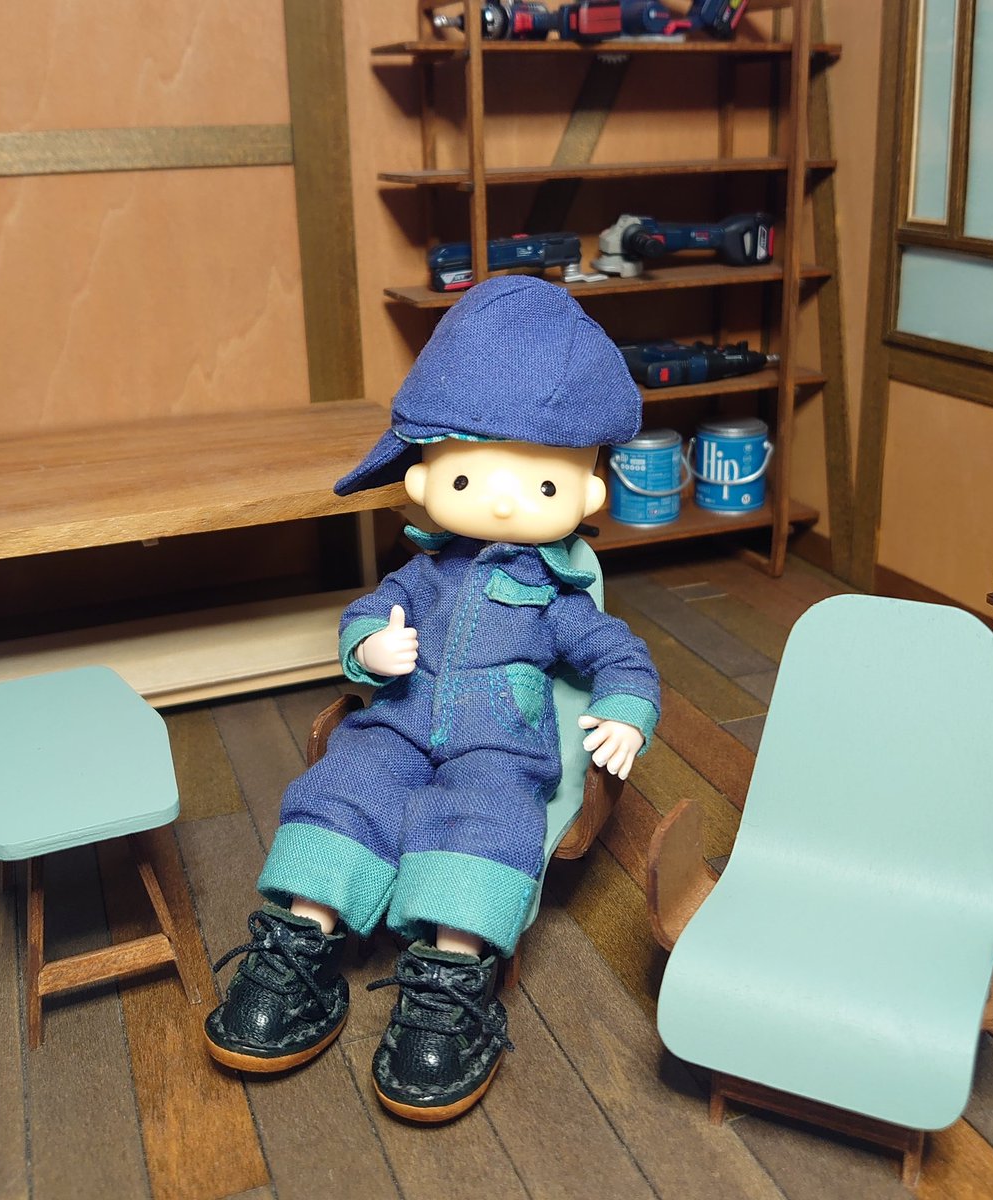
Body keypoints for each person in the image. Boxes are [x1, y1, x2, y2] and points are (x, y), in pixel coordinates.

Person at [204, 275, 660, 1123]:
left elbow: (619, 655)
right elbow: (368, 611)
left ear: (589, 497)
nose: (501, 500)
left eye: (543, 487)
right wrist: (370, 649)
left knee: (486, 820)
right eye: (470, 477)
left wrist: (628, 714)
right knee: (345, 788)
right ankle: (300, 938)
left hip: (499, 748)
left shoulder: (559, 599)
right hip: (396, 726)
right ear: (421, 480)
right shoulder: (421, 575)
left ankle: (450, 975)